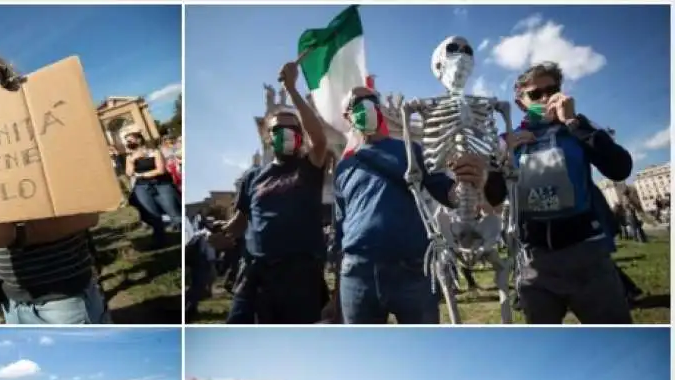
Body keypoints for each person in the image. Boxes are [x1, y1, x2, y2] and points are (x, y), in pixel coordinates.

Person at [0, 55, 111, 325]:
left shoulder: (48, 128)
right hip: (11, 302)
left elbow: (89, 214)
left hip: (63, 296)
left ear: (3, 82)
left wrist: (13, 234)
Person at [332, 87, 502, 324]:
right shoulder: (344, 167)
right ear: (346, 117)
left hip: (412, 270)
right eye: (357, 102)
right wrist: (337, 287)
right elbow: (340, 223)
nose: (367, 105)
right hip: (357, 273)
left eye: (372, 100)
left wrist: (467, 185)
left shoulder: (411, 150)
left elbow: (446, 192)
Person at [500, 62, 634, 324]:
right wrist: (502, 154)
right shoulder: (509, 140)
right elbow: (493, 196)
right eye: (536, 94)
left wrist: (574, 122)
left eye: (552, 89)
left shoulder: (578, 128)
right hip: (535, 261)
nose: (546, 98)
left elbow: (620, 169)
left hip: (587, 256)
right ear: (520, 103)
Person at [218, 62, 330, 324]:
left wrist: (291, 89)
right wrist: (221, 232)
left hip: (300, 277)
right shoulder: (253, 177)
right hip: (254, 275)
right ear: (268, 137)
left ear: (301, 136)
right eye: (278, 129)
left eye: (293, 129)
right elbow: (240, 222)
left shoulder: (309, 168)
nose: (286, 134)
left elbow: (321, 139)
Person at [124, 129, 181, 246]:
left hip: (161, 184)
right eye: (127, 141)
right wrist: (134, 159)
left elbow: (161, 170)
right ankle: (160, 240)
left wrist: (141, 174)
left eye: (130, 139)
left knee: (174, 211)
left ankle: (185, 237)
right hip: (142, 187)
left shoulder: (154, 152)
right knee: (152, 214)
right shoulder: (129, 157)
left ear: (139, 139)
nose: (128, 142)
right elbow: (129, 173)